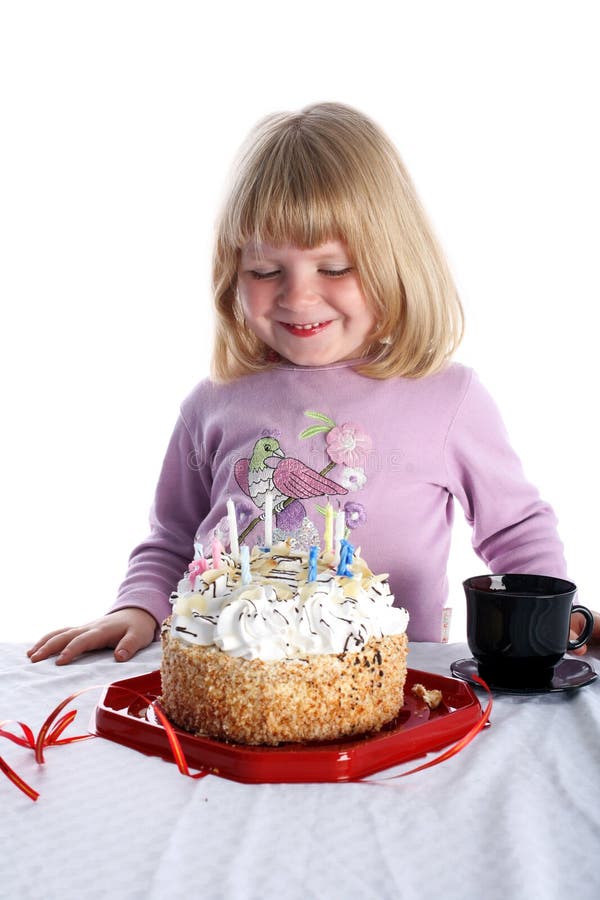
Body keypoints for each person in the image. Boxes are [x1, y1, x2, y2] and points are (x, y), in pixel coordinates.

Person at [28, 101, 600, 666]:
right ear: (233, 274)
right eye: (265, 270)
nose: (298, 296)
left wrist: (553, 621)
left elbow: (517, 529)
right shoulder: (211, 405)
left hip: (397, 692)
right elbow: (173, 538)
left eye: (333, 268)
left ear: (394, 261)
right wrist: (138, 608)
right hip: (235, 691)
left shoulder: (447, 397)